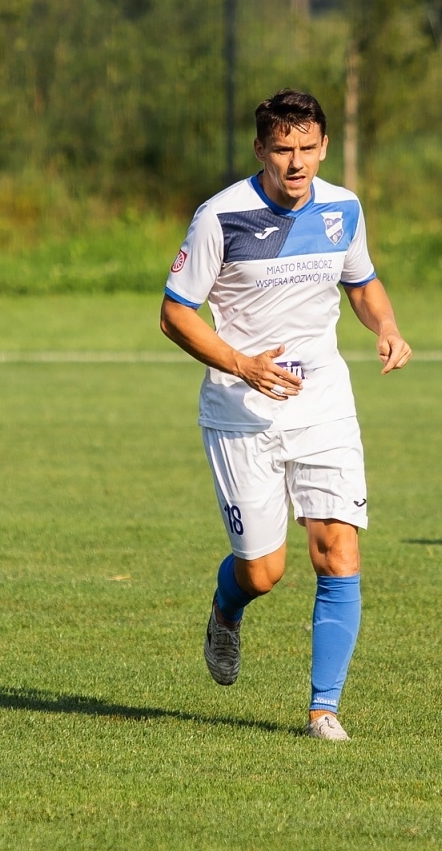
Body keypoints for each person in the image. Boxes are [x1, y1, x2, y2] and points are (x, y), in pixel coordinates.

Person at [159, 89, 411, 742]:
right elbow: (175, 313)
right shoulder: (221, 217)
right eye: (281, 149)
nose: (295, 162)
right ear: (260, 150)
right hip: (241, 412)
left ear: (324, 146)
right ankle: (227, 607)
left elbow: (362, 282)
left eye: (306, 148)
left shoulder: (343, 208)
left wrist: (386, 326)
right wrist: (242, 364)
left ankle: (323, 711)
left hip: (323, 404)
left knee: (338, 549)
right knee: (263, 571)